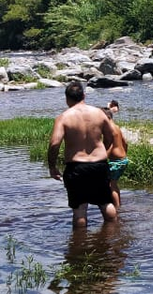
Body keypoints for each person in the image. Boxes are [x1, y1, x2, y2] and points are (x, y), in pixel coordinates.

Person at [47, 80, 118, 227]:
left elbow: (54, 144)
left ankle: (80, 240)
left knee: (80, 209)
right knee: (105, 202)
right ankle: (113, 234)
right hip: (99, 165)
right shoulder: (99, 113)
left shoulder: (63, 117)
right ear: (84, 96)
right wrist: (102, 150)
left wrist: (52, 166)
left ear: (67, 99)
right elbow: (111, 135)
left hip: (76, 167)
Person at [102, 106, 129, 211]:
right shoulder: (116, 127)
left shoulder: (109, 129)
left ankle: (116, 208)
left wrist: (103, 159)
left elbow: (110, 145)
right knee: (113, 183)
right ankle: (118, 204)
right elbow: (125, 142)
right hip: (122, 159)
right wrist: (124, 153)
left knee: (110, 184)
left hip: (116, 161)